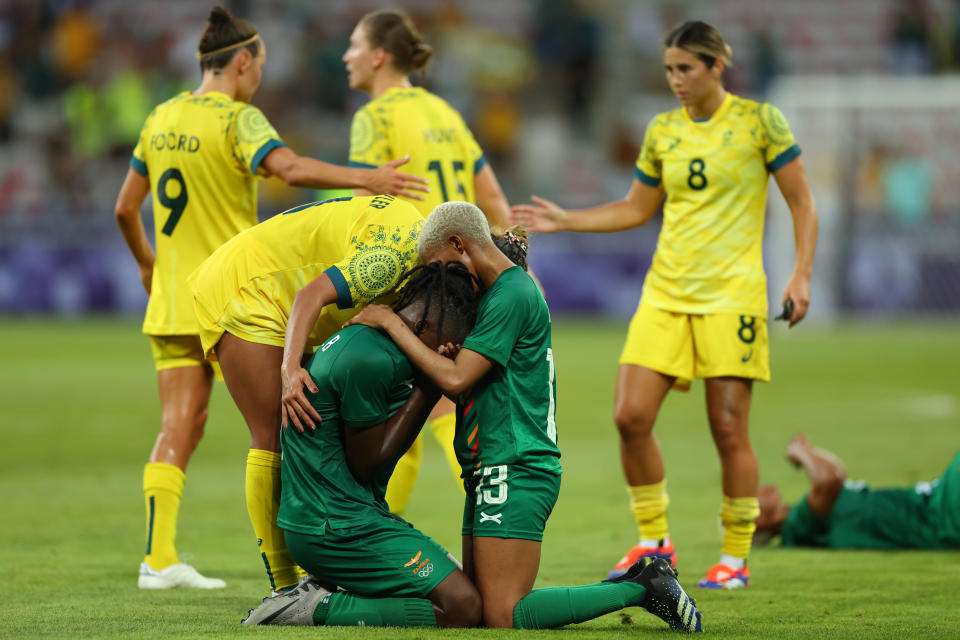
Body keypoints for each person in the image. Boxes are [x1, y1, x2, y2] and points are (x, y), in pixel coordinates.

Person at [113, 6, 428, 590]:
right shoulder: (240, 120)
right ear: (242, 62)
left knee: (180, 422)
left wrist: (146, 261)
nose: (258, 77)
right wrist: (366, 178)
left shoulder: (161, 117)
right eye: (259, 67)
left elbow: (124, 208)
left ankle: (158, 557)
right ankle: (293, 578)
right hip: (245, 287)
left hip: (174, 290)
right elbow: (288, 167)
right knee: (281, 430)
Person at [511, 20, 818, 589]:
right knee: (629, 416)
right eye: (670, 70)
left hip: (732, 296)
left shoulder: (759, 122)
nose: (676, 80)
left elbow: (802, 203)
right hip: (666, 293)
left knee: (728, 430)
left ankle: (735, 556)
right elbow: (635, 208)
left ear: (716, 67)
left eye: (686, 69)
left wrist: (799, 275)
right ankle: (654, 542)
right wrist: (566, 218)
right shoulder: (661, 131)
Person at [344, 202, 702, 632]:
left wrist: (390, 323)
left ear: (459, 244)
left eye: (440, 267)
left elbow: (456, 381)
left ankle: (645, 586)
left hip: (515, 465)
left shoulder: (511, 293)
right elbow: (477, 383)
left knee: (502, 614)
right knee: (476, 608)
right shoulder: (500, 293)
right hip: (490, 466)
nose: (441, 283)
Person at [188, 194, 424, 594]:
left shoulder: (422, 245)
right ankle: (286, 590)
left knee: (314, 427)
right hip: (250, 287)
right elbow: (309, 295)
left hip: (280, 287)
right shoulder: (392, 259)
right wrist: (290, 368)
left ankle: (324, 570)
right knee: (276, 431)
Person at [242, 261, 484, 628]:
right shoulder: (370, 359)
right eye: (448, 342)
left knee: (466, 591)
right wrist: (429, 386)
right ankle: (312, 607)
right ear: (427, 324)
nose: (448, 354)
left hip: (345, 517)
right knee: (464, 607)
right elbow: (366, 462)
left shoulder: (372, 343)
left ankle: (327, 591)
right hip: (334, 527)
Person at [341, 8, 512, 516]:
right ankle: (496, 514)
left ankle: (373, 532)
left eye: (354, 45)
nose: (346, 55)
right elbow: (495, 200)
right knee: (446, 401)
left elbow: (364, 205)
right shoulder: (445, 113)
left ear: (377, 56)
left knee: (407, 402)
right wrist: (506, 270)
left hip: (417, 274)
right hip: (467, 274)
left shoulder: (375, 118)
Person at [754, 434, 960, 550]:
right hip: (938, 517)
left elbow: (835, 473)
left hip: (937, 505)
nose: (757, 490)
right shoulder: (797, 524)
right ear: (756, 522)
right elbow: (829, 478)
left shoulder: (803, 521)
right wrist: (801, 452)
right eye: (750, 498)